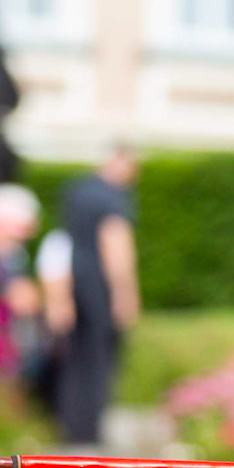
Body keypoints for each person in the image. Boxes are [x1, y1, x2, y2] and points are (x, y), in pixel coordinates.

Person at [53, 144, 140, 446]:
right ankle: (90, 432)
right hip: (100, 287)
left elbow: (63, 242)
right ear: (119, 162)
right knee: (100, 360)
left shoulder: (77, 191)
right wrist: (124, 293)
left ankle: (72, 427)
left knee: (77, 357)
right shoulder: (112, 197)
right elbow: (115, 243)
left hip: (74, 281)